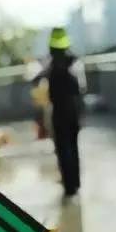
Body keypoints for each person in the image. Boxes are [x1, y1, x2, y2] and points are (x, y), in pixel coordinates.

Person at [46, 27, 85, 197]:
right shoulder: (75, 63)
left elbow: (46, 90)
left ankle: (69, 186)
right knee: (73, 147)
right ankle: (75, 182)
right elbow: (81, 89)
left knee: (63, 148)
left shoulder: (50, 66)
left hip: (58, 111)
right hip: (73, 111)